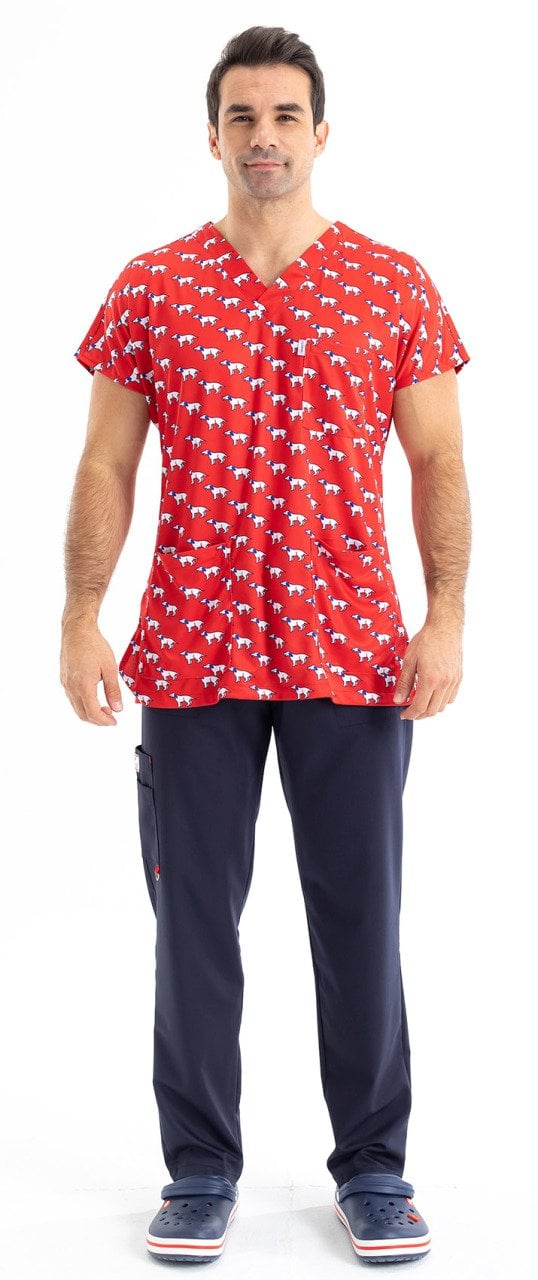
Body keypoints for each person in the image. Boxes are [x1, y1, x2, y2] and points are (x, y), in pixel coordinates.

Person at [61, 23, 471, 1266]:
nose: (263, 136)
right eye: (242, 115)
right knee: (191, 924)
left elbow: (439, 460)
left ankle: (375, 1168)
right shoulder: (152, 286)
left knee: (362, 919)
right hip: (191, 656)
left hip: (353, 653)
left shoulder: (392, 284)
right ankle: (199, 1169)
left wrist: (446, 613)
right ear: (213, 135)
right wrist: (80, 612)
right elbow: (105, 462)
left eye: (285, 114)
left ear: (320, 132)